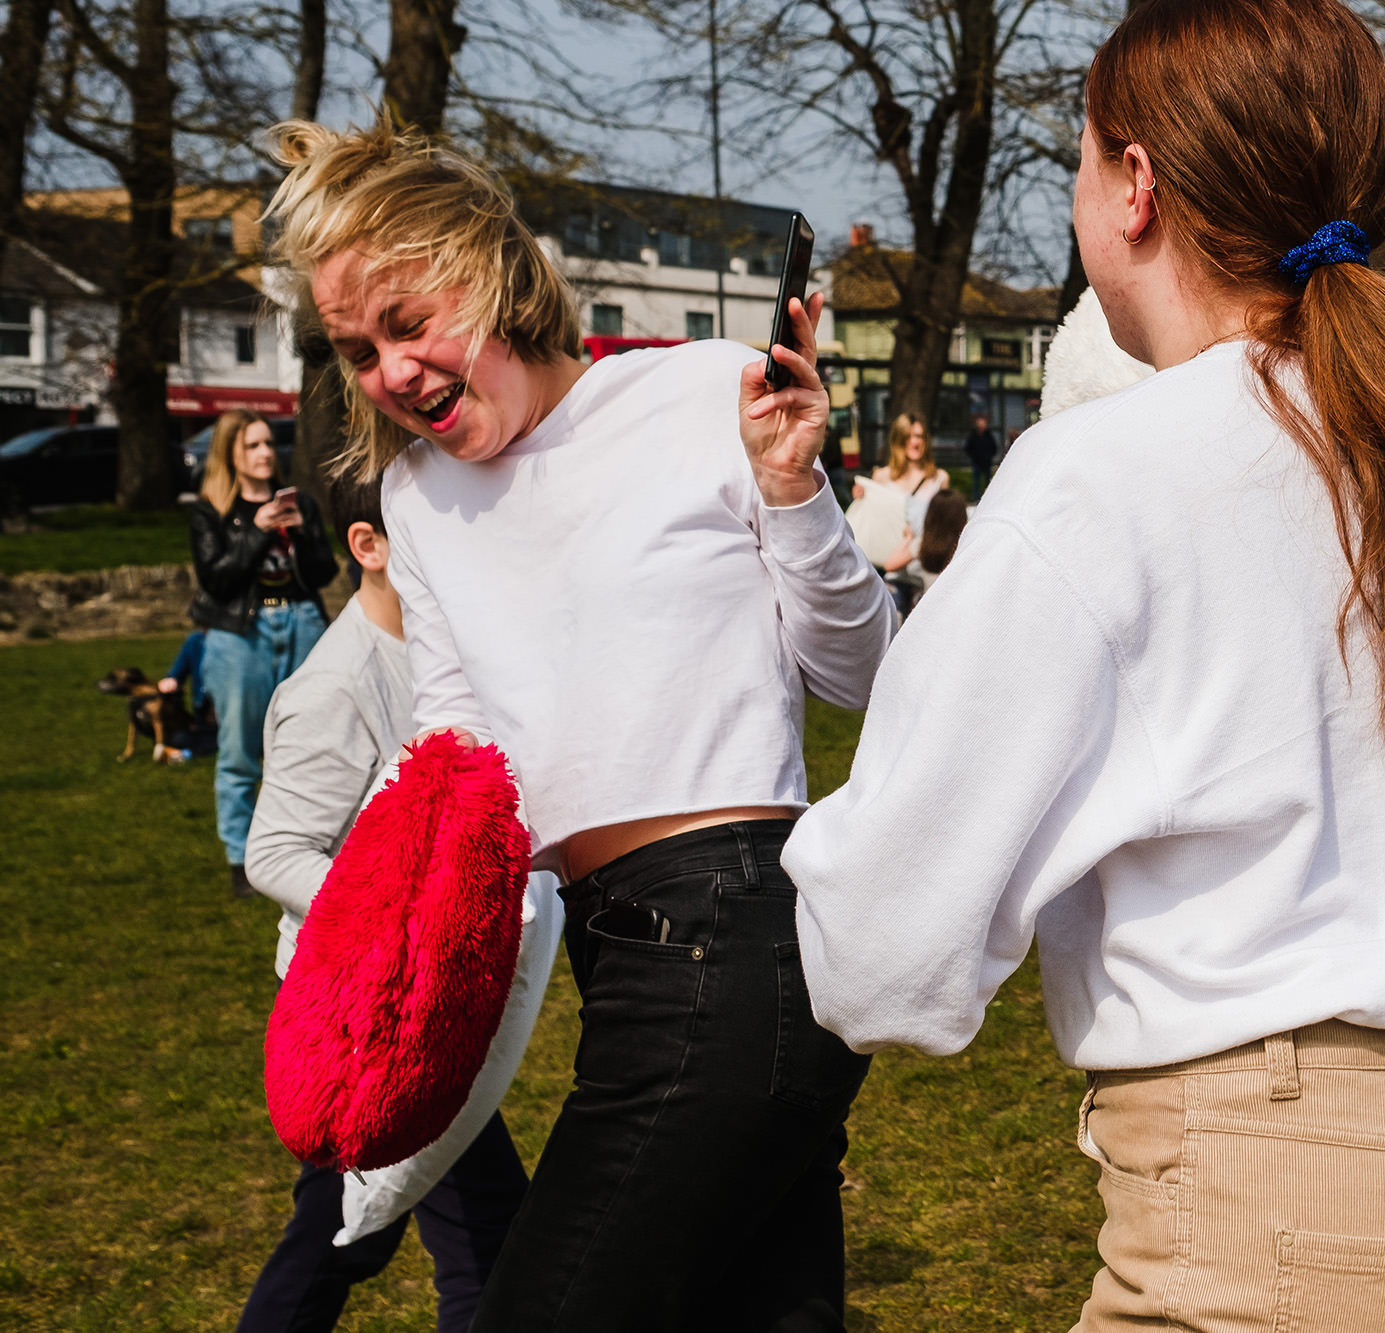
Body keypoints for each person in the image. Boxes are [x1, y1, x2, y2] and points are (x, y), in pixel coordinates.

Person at [781, 1, 1385, 1329]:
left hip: (1304, 1194)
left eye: (1080, 157)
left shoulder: (1099, 477)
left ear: (1137, 187)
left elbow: (883, 955)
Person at [264, 118, 896, 1333]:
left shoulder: (704, 389)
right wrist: (368, 939)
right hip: (619, 955)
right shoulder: (416, 495)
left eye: (408, 322)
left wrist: (792, 489)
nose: (391, 370)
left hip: (744, 934)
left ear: (490, 270)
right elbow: (451, 744)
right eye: (358, 348)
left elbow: (861, 673)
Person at [238, 473, 529, 1333]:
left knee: (441, 1235)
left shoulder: (442, 657)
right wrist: (402, 915)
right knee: (399, 1237)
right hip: (355, 1022)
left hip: (413, 1009)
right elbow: (275, 850)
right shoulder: (336, 685)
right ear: (368, 546)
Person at [189, 409, 336, 898]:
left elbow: (321, 576)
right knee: (239, 752)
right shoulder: (211, 510)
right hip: (240, 634)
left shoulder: (300, 504)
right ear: (231, 452)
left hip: (301, 622)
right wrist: (256, 531)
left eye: (269, 444)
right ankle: (241, 859)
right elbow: (219, 580)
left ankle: (311, 851)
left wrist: (303, 534)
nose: (265, 453)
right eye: (252, 445)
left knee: (313, 743)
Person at [856, 412, 946, 535]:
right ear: (898, 440)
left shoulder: (939, 478)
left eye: (919, 436)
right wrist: (862, 497)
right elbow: (874, 520)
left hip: (926, 550)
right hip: (891, 551)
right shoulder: (881, 476)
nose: (914, 442)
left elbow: (945, 524)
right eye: (907, 437)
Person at [964, 411, 999, 500]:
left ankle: (987, 499)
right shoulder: (973, 435)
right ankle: (976, 499)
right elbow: (967, 448)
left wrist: (989, 456)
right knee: (976, 483)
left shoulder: (989, 435)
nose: (982, 426)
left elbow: (994, 447)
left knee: (987, 482)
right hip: (976, 462)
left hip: (987, 462)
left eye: (983, 424)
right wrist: (973, 456)